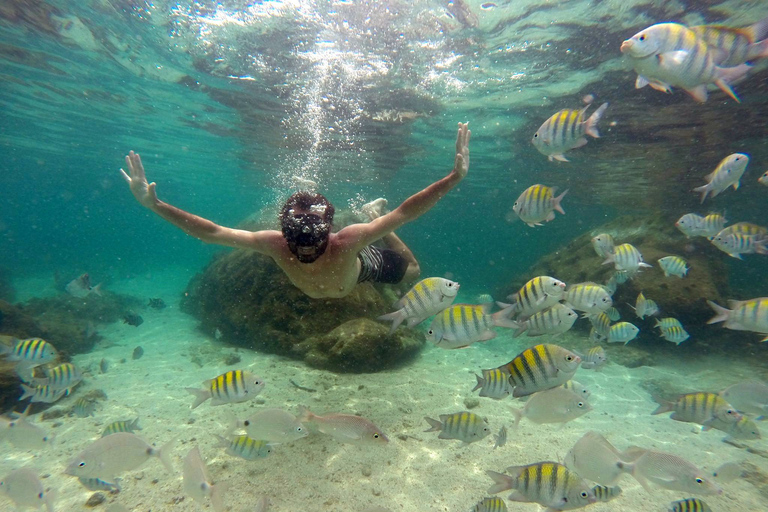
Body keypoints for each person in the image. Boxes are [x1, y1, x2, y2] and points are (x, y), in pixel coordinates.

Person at [120, 123, 470, 299]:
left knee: (413, 270)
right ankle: (370, 215)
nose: (303, 243)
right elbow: (212, 233)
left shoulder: (348, 241)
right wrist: (155, 205)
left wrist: (454, 177)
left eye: (313, 233)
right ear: (283, 229)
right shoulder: (274, 243)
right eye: (296, 234)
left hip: (360, 272)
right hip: (338, 282)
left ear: (329, 230)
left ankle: (369, 213)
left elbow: (406, 212)